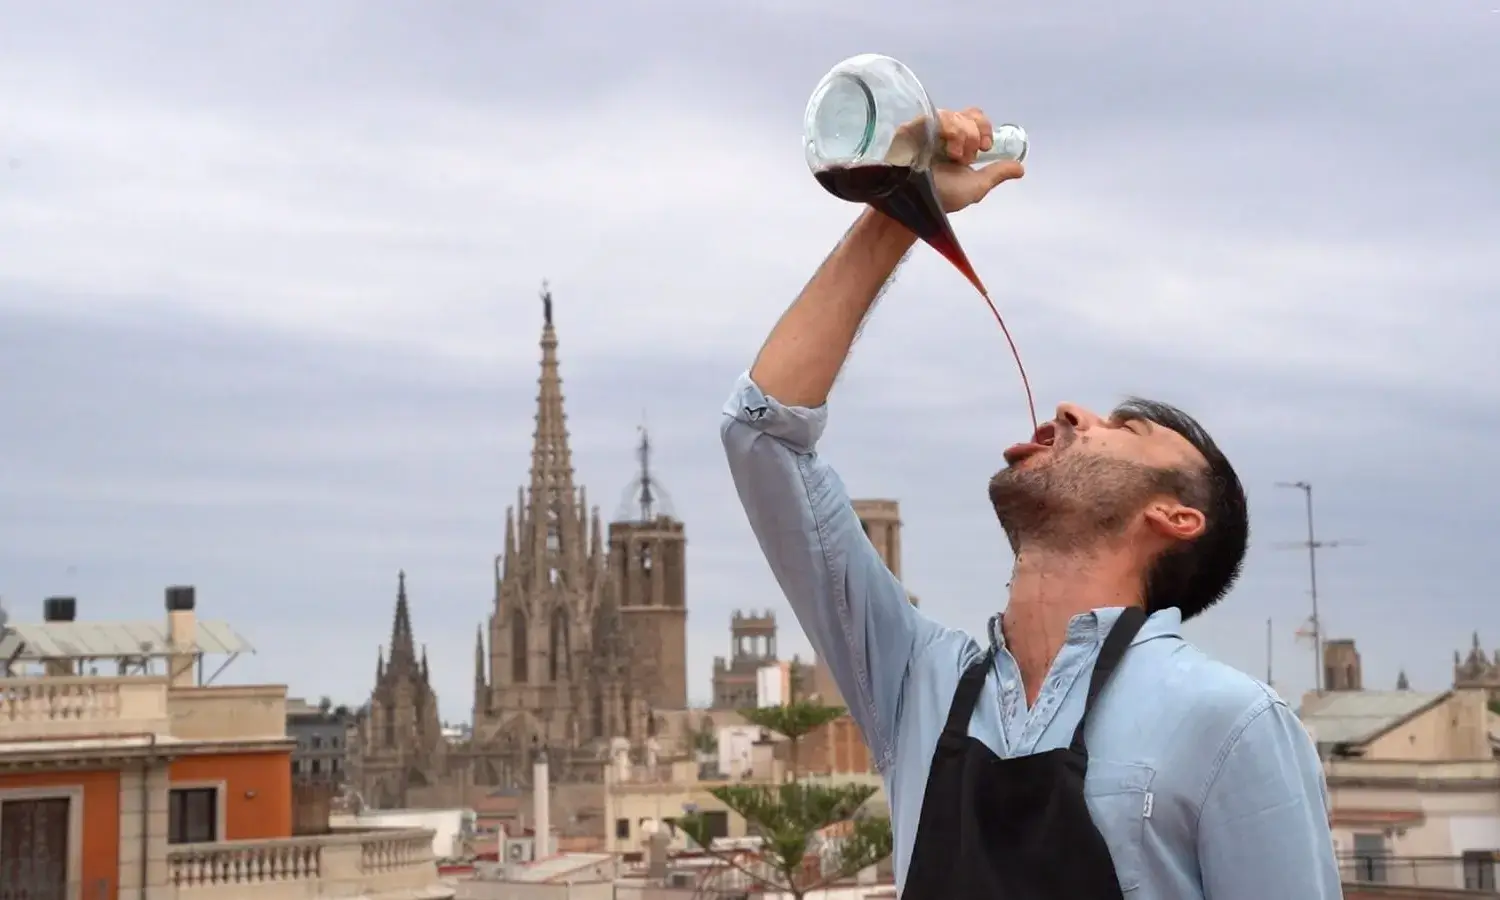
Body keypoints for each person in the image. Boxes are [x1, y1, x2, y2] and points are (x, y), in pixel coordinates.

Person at [719, 107, 1339, 899]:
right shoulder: (920, 684)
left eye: (1127, 429)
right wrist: (905, 207)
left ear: (1176, 518)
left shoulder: (1233, 723)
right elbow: (762, 433)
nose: (1072, 412)